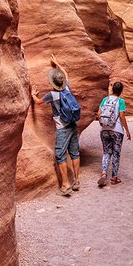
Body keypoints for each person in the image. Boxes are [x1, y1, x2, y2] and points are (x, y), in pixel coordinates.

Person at [31, 55, 81, 196]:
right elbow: (65, 74)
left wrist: (33, 94)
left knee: (60, 155)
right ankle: (77, 181)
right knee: (75, 153)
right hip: (73, 125)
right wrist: (57, 63)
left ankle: (65, 185)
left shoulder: (52, 95)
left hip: (62, 129)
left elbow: (38, 102)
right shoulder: (67, 89)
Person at [96, 81, 131, 187]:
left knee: (106, 152)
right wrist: (127, 131)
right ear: (121, 91)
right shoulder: (121, 101)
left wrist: (103, 124)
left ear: (112, 89)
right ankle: (114, 177)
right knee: (116, 154)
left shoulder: (105, 100)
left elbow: (98, 114)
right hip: (117, 131)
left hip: (104, 130)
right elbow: (122, 116)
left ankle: (103, 173)